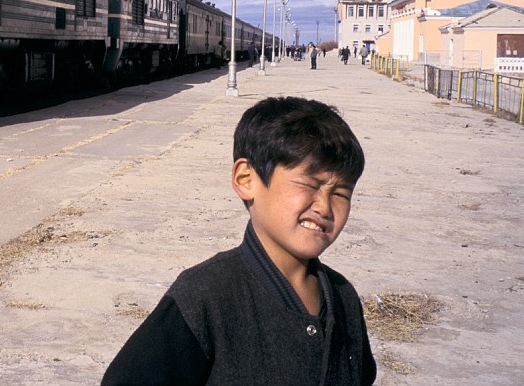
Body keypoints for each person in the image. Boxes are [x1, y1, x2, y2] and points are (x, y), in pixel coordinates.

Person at [102, 97, 377, 385]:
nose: (324, 207)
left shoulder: (343, 298)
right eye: (309, 184)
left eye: (341, 193)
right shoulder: (204, 297)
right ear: (246, 179)